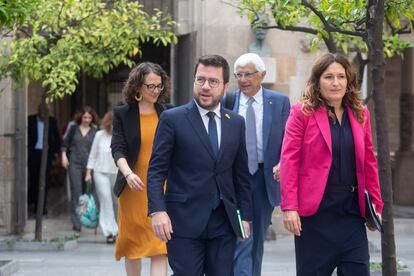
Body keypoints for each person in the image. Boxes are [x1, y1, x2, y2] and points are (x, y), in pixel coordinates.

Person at [147, 54, 253, 276]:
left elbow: (241, 175)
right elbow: (156, 171)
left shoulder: (236, 123)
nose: (205, 87)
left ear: (225, 87)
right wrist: (157, 210)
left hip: (224, 221)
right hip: (183, 221)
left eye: (213, 82)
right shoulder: (172, 119)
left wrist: (245, 217)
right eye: (200, 80)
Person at [279, 53, 384, 275]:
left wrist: (376, 205)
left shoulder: (360, 113)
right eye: (328, 77)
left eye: (341, 76)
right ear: (317, 81)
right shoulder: (302, 113)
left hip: (351, 213)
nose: (335, 83)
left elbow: (368, 161)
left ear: (349, 81)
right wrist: (290, 207)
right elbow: (289, 159)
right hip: (315, 216)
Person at [224, 53, 290, 276]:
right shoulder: (228, 101)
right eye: (239, 75)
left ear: (262, 75)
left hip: (263, 178)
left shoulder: (279, 102)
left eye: (249, 74)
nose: (243, 79)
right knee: (241, 236)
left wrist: (284, 162)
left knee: (257, 238)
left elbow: (289, 140)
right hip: (234, 179)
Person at [110, 62, 170, 276]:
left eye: (159, 86)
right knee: (133, 248)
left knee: (160, 247)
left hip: (161, 189)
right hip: (133, 188)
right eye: (150, 86)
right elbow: (117, 148)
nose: (155, 91)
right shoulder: (123, 114)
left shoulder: (169, 113)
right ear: (137, 87)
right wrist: (128, 173)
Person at [62, 106, 98, 237]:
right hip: (75, 164)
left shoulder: (95, 131)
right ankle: (77, 226)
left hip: (91, 165)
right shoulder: (73, 129)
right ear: (80, 117)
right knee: (76, 193)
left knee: (89, 194)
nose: (87, 120)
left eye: (89, 117)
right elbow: (64, 144)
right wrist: (64, 156)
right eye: (85, 117)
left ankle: (88, 220)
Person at [85, 111, 118, 244]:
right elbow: (93, 154)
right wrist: (88, 172)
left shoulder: (121, 135)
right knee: (106, 201)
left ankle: (118, 228)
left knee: (117, 202)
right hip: (100, 172)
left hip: (117, 173)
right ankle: (109, 232)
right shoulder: (99, 135)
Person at [28, 104, 61, 216]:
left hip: (46, 154)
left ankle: (41, 207)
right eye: (41, 110)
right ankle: (33, 203)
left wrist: (56, 153)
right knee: (33, 180)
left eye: (45, 111)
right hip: (34, 154)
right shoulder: (31, 120)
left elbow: (56, 138)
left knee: (44, 181)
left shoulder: (52, 121)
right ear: (38, 110)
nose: (43, 113)